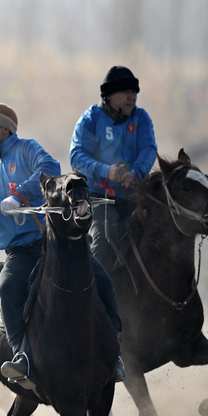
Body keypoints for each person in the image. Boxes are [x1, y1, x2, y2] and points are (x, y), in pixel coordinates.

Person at [0, 102, 125, 384]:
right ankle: (23, 356)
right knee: (7, 289)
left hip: (51, 245)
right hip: (18, 253)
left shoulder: (27, 148)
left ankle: (114, 351)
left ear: (5, 129)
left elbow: (50, 167)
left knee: (103, 281)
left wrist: (19, 196)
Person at [70, 65, 157, 273]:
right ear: (108, 95)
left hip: (133, 196)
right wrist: (107, 171)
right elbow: (77, 156)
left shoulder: (141, 118)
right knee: (105, 239)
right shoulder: (90, 120)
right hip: (98, 198)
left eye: (134, 93)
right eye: (126, 92)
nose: (132, 98)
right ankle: (95, 298)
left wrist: (136, 173)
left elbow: (148, 148)